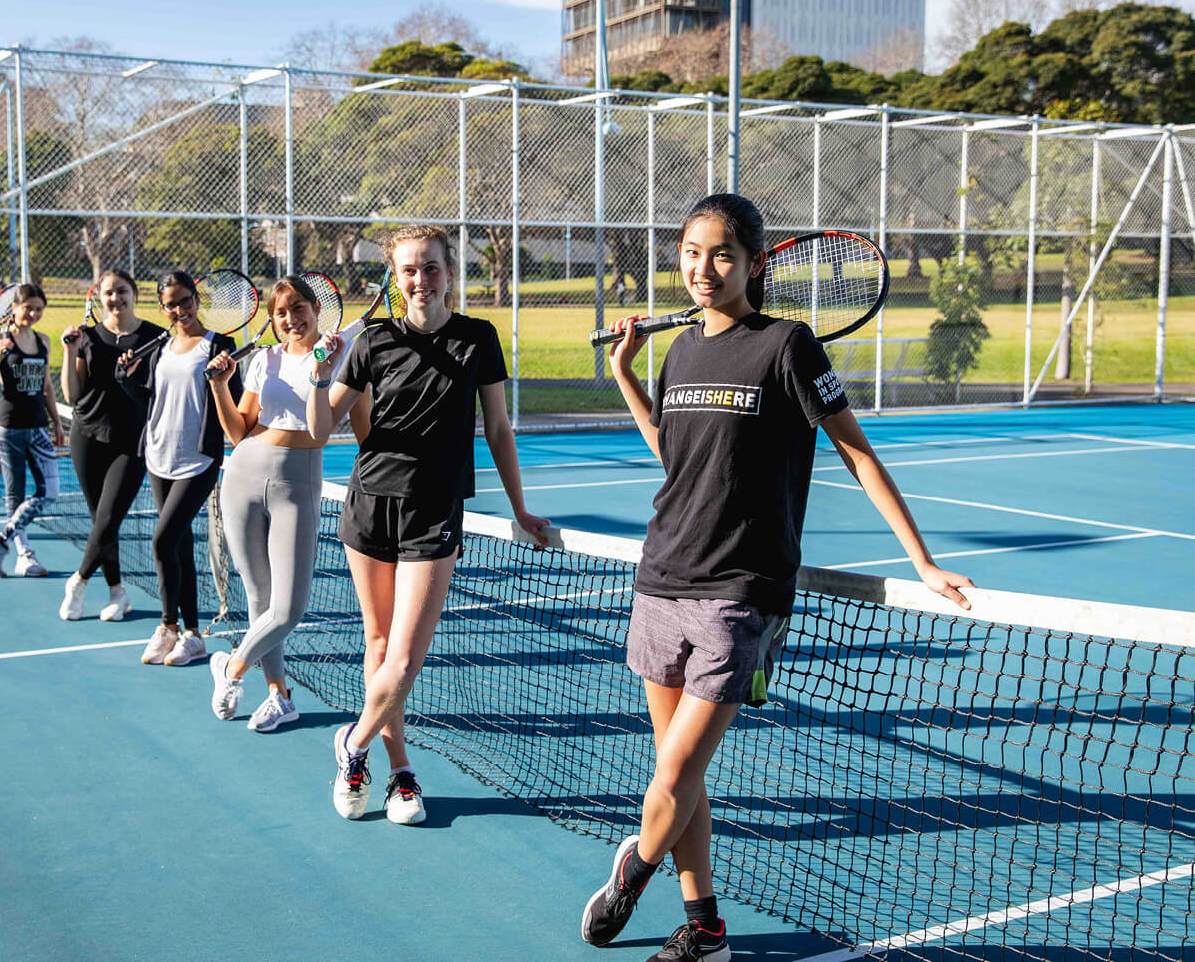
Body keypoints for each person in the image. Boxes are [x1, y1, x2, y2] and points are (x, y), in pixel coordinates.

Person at [579, 194, 975, 962]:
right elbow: (675, 453)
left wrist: (920, 559)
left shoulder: (788, 346)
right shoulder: (681, 350)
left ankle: (634, 870)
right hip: (662, 577)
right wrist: (626, 376)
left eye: (722, 253)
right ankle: (705, 931)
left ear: (756, 263)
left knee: (678, 773)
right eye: (691, 251)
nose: (703, 268)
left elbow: (856, 452)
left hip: (741, 594)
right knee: (677, 777)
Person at [308, 225, 550, 826]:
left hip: (436, 507)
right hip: (369, 504)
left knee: (407, 657)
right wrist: (320, 370)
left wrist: (519, 507)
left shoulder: (479, 338)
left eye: (432, 268)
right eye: (410, 270)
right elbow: (319, 430)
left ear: (450, 273)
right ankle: (400, 772)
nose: (421, 280)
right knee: (380, 644)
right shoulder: (370, 341)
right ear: (396, 276)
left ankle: (352, 743)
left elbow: (496, 429)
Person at [205, 276, 372, 732]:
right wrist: (221, 386)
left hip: (296, 485)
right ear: (273, 320)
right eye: (281, 313)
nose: (291, 319)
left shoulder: (346, 359)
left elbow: (355, 432)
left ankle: (232, 668)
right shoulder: (264, 360)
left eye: (298, 308)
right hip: (241, 475)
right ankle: (280, 696)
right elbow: (239, 431)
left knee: (288, 609)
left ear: (317, 308)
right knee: (259, 598)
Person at [116, 272, 242, 667]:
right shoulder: (161, 347)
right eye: (171, 304)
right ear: (163, 307)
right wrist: (126, 378)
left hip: (198, 460)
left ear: (196, 299)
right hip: (158, 455)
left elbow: (231, 402)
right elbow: (152, 398)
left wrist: (224, 375)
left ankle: (168, 626)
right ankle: (192, 634)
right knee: (178, 544)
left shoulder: (220, 346)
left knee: (161, 541)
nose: (180, 310)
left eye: (186, 301)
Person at [58, 269, 167, 622]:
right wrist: (70, 351)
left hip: (132, 441)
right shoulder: (86, 337)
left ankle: (78, 581)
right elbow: (72, 393)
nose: (115, 298)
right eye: (108, 293)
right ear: (98, 297)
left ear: (134, 294)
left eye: (122, 291)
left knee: (107, 519)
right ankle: (117, 592)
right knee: (100, 521)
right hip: (86, 436)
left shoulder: (156, 337)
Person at [0, 283, 65, 578]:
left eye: (38, 309)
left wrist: (57, 422)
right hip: (8, 428)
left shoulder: (43, 341)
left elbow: (47, 386)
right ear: (15, 308)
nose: (33, 314)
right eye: (28, 308)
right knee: (16, 492)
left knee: (50, 492)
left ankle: (0, 542)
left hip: (37, 427)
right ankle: (24, 555)